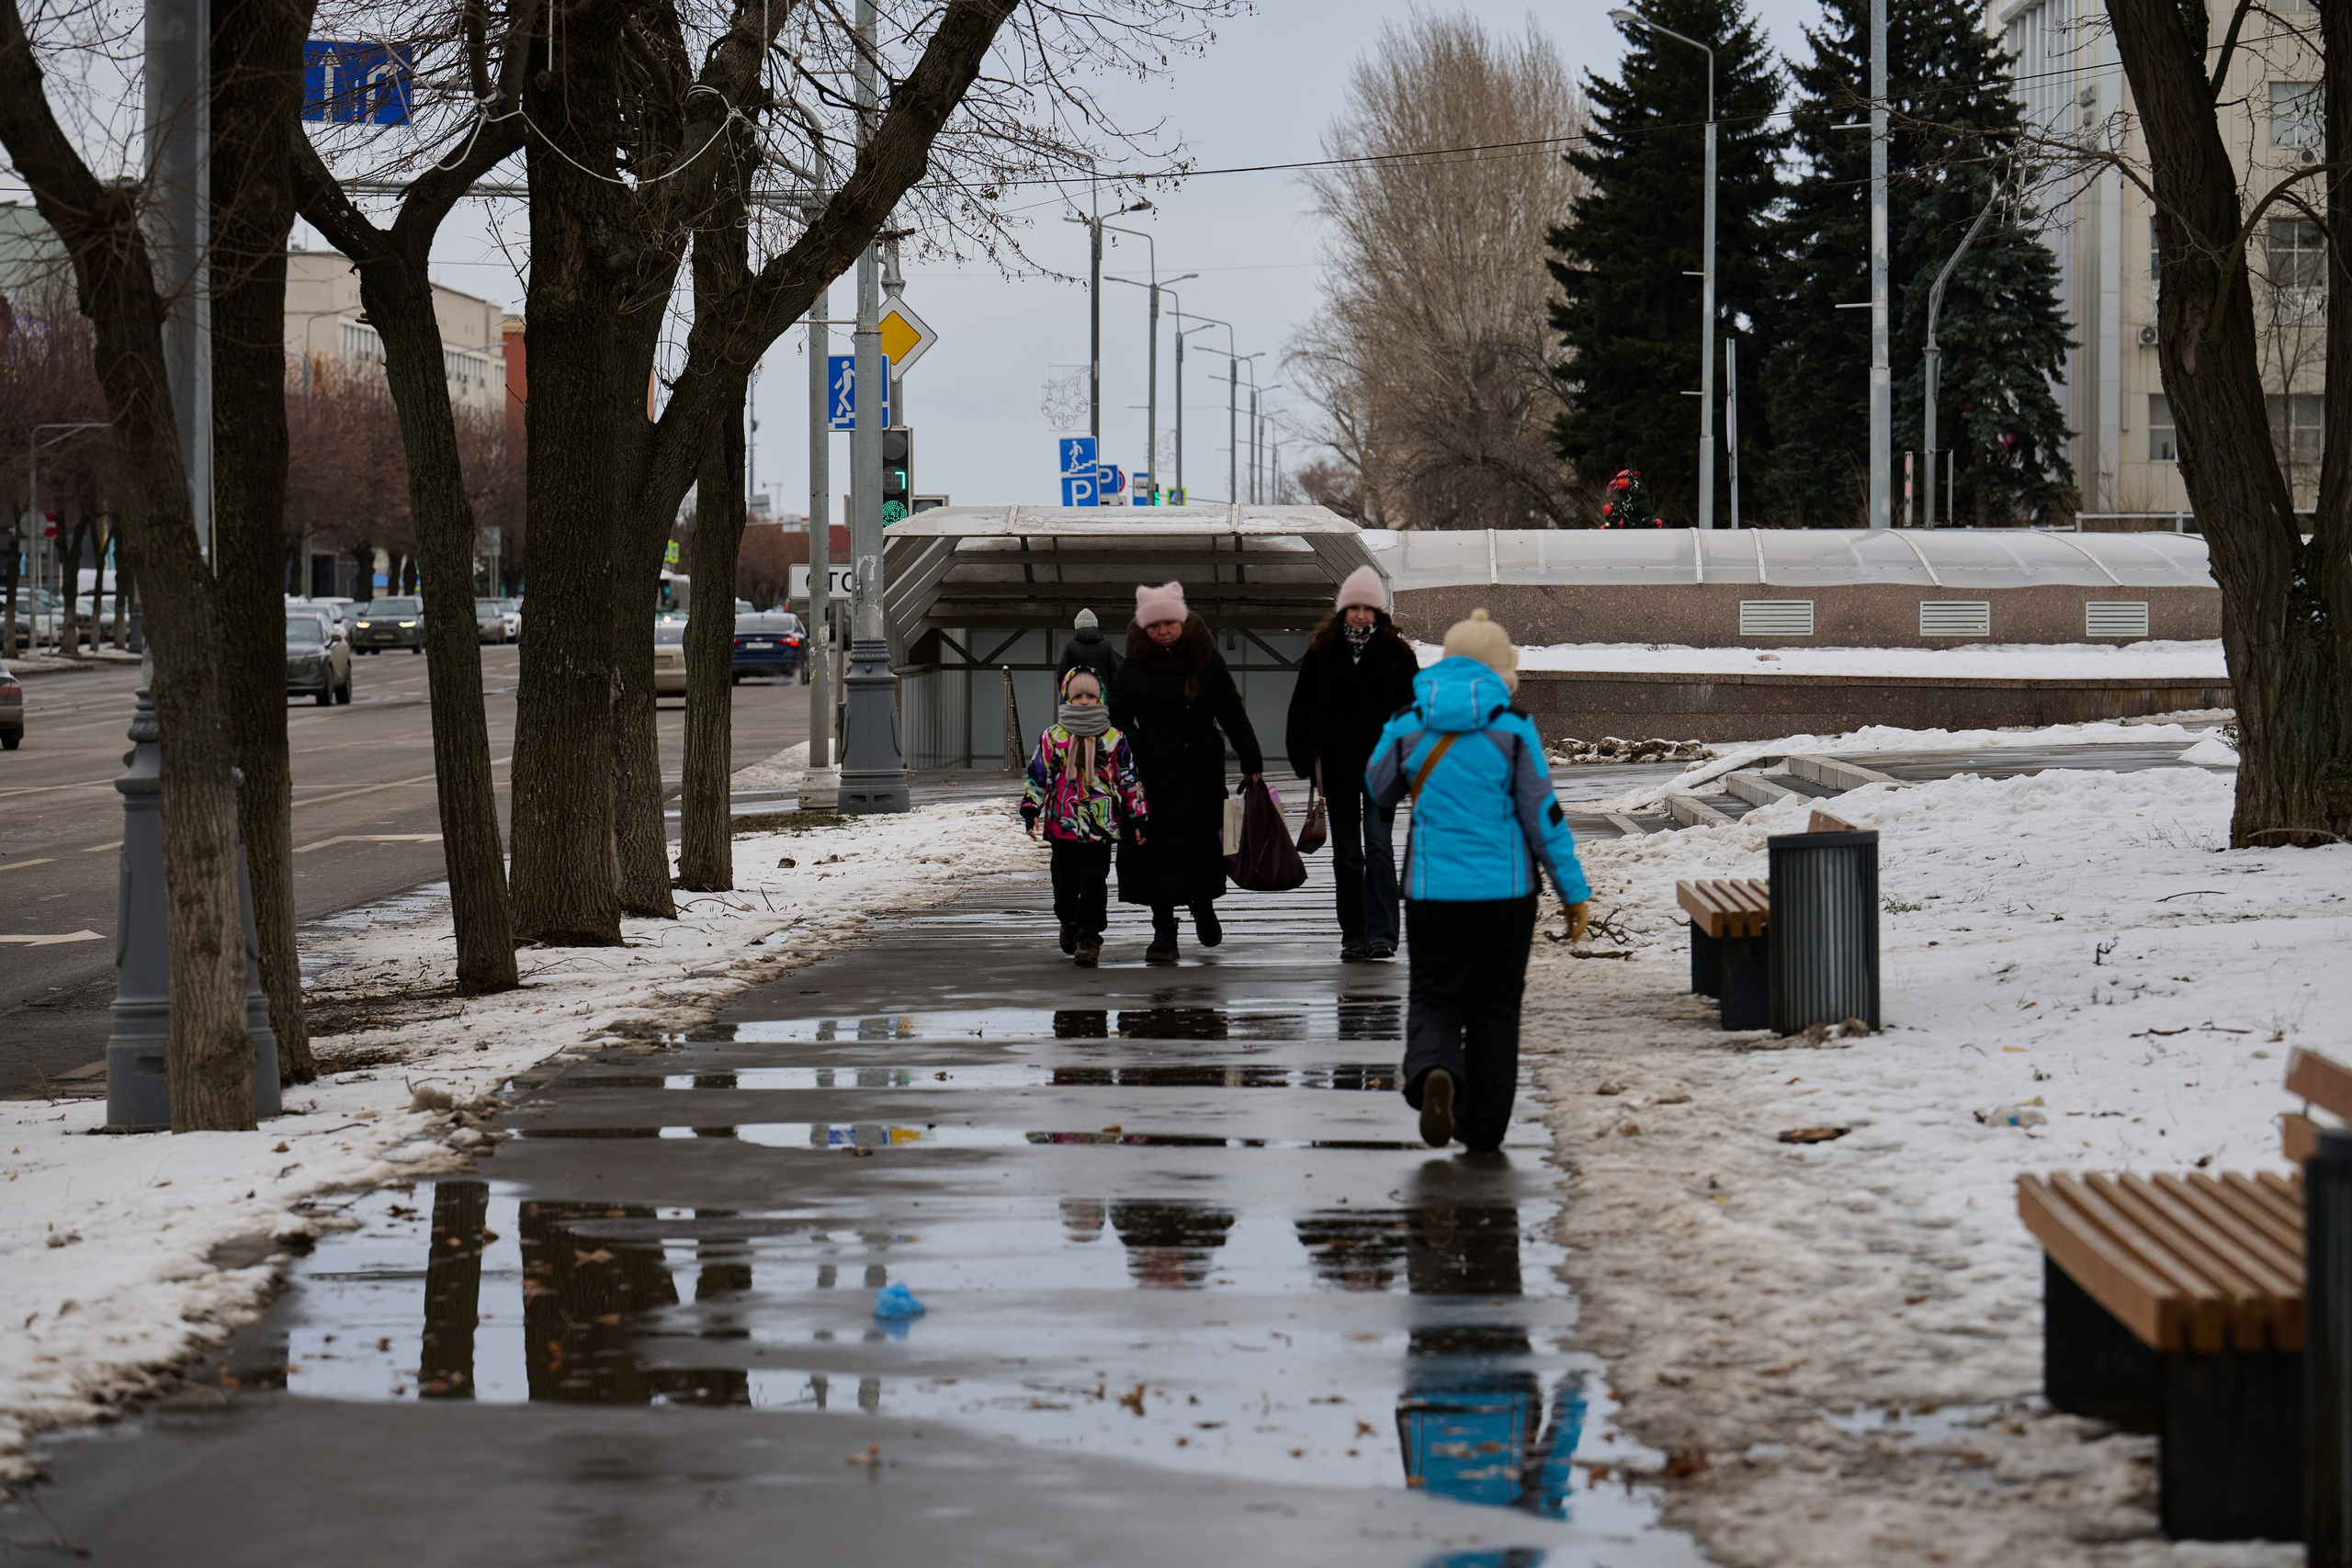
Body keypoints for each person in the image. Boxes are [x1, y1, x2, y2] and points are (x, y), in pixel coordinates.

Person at [1366, 609, 1591, 1153]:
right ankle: (1483, 1131)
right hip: (1506, 893)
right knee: (1495, 1007)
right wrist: (1573, 893)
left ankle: (1435, 1071)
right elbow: (1544, 817)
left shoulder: (1408, 721)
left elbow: (1376, 788)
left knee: (1436, 996)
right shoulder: (1512, 729)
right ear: (1498, 667)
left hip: (1432, 890)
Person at [1108, 581, 1264, 964]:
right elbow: (1117, 718)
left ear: (1183, 622)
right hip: (1151, 773)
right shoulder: (1132, 667)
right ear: (1144, 628)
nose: (1163, 630)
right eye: (1155, 625)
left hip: (1201, 768)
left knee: (1205, 842)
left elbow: (1231, 710)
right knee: (1155, 849)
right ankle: (1163, 929)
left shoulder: (1206, 660)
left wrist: (1252, 761)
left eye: (1170, 623)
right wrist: (1140, 746)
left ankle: (1203, 905)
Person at [1285, 564, 1418, 963]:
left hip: (1382, 766)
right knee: (1346, 853)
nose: (1360, 614)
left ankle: (1382, 934)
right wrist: (1309, 754)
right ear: (1343, 610)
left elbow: (1415, 711)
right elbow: (1302, 709)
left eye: (1368, 607)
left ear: (1379, 612)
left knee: (1378, 847)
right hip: (1339, 768)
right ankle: (1354, 935)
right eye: (1353, 607)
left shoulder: (1397, 654)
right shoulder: (1321, 654)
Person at [1021, 669, 1148, 968]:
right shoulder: (1054, 737)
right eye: (1078, 695)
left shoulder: (1114, 738)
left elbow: (1129, 780)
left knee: (1093, 882)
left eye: (1091, 695)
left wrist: (1139, 817)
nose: (1084, 701)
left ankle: (1089, 938)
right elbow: (1038, 776)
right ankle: (1068, 918)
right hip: (1061, 825)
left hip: (1100, 828)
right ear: (1067, 698)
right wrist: (1030, 809)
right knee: (1064, 885)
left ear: (1100, 698)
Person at [1057, 607, 1121, 689]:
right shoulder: (1106, 646)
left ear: (1077, 626)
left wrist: (1066, 692)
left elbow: (1062, 672)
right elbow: (1115, 672)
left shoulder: (1070, 646)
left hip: (1077, 694)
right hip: (1101, 696)